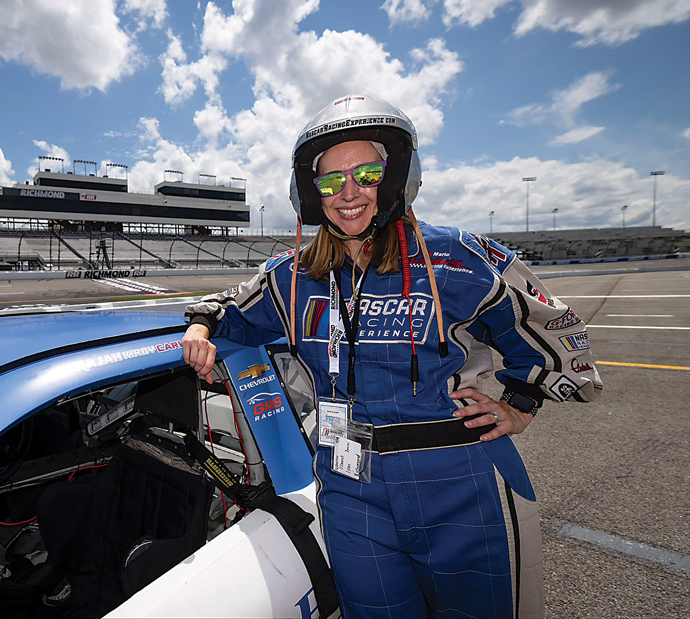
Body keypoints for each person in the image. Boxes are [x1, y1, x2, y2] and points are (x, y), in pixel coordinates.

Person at [182, 94, 602, 618]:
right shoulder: (293, 276)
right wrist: (200, 325)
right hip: (349, 486)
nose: (348, 193)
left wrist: (520, 404)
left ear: (397, 176)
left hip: (457, 479)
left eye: (367, 174)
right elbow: (229, 310)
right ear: (311, 194)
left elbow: (553, 327)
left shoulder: (458, 256)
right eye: (331, 180)